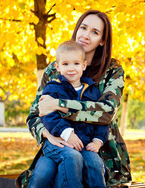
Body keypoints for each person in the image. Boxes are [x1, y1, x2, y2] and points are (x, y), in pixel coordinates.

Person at [16, 10, 132, 188]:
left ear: (102, 41)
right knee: (46, 173)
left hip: (99, 150)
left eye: (95, 32)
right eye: (83, 28)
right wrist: (49, 136)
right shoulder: (54, 70)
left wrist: (59, 105)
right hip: (59, 145)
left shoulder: (113, 70)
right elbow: (34, 115)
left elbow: (106, 112)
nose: (86, 35)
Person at [37, 40, 108, 188]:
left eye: (76, 64)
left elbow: (101, 119)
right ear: (57, 67)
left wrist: (97, 141)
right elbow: (47, 116)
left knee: (94, 163)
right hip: (57, 141)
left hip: (85, 143)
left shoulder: (92, 90)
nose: (71, 68)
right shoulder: (53, 88)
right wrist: (66, 132)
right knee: (72, 157)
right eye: (65, 64)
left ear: (84, 65)